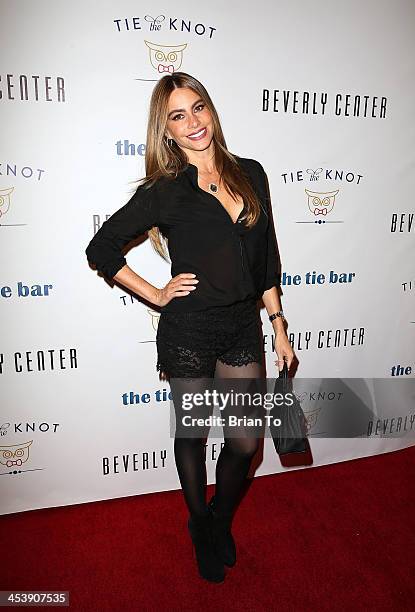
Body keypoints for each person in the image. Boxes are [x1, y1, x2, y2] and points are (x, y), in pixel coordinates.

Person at [85, 71, 295, 583]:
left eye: (197, 107)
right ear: (168, 131)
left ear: (211, 110)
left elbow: (265, 259)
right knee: (193, 433)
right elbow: (101, 248)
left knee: (245, 442)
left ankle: (220, 518)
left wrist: (279, 322)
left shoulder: (252, 173)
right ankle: (199, 522)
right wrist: (156, 294)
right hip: (189, 333)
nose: (193, 121)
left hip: (242, 326)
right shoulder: (166, 192)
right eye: (178, 115)